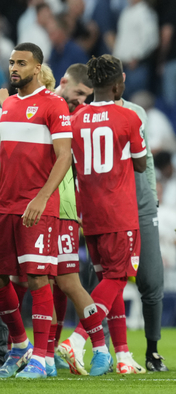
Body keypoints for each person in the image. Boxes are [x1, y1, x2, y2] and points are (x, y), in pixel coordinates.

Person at [0, 63, 110, 378]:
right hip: (34, 207)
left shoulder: (65, 115)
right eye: (78, 93)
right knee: (48, 281)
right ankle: (42, 353)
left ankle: (90, 349)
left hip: (59, 209)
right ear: (59, 83)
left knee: (64, 281)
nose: (81, 101)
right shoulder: (38, 108)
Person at [60, 55, 147, 375]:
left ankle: (121, 356)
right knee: (116, 278)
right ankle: (77, 341)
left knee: (110, 283)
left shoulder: (76, 118)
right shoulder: (127, 118)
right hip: (119, 212)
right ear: (117, 84)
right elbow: (140, 163)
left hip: (89, 214)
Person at [0, 42, 72, 379]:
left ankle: (41, 359)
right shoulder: (6, 105)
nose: (14, 68)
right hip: (4, 205)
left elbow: (64, 156)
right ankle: (19, 346)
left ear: (38, 67)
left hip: (36, 205)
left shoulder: (54, 105)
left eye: (22, 63)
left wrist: (42, 197)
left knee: (38, 278)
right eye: (12, 63)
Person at [103, 54, 168, 372]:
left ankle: (152, 351)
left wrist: (152, 197)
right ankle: (104, 350)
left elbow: (146, 165)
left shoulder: (136, 112)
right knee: (102, 279)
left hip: (141, 205)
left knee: (152, 280)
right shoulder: (89, 115)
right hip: (108, 208)